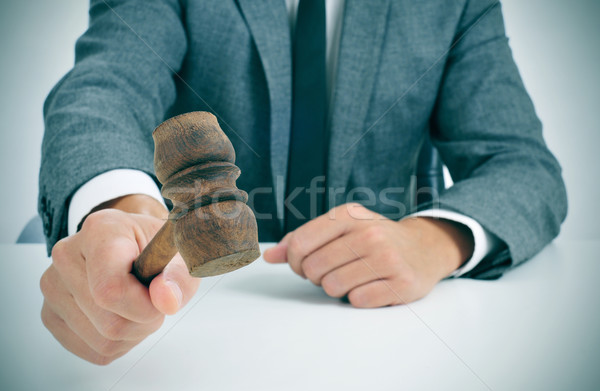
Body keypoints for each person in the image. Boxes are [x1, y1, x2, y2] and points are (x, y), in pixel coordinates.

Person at [38, 0, 567, 365]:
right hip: (202, 328)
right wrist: (121, 209)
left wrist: (432, 241)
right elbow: (99, 95)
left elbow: (522, 163)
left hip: (381, 340)